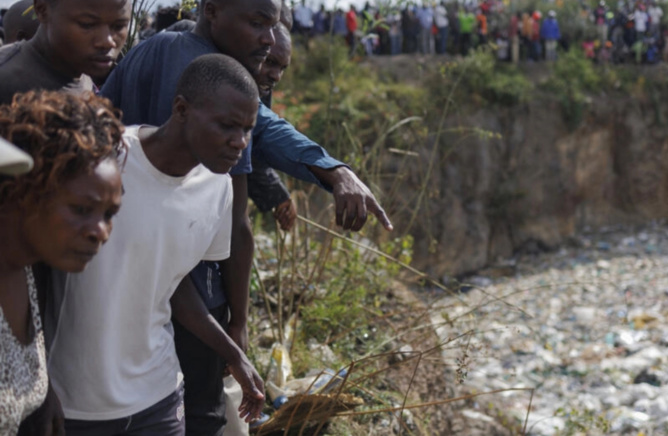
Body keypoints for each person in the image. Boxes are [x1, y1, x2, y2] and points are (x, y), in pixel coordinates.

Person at [101, 0, 392, 433]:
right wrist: (237, 325)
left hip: (120, 275)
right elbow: (239, 219)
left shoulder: (153, 49)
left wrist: (334, 170)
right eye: (258, 23)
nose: (267, 39)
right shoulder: (211, 85)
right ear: (212, 11)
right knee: (200, 411)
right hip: (186, 287)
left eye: (272, 26)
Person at [48, 54, 266, 435]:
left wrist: (235, 355)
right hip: (73, 405)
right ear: (181, 109)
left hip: (158, 398)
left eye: (247, 129)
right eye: (227, 126)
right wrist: (38, 386)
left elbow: (173, 281)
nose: (239, 143)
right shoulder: (105, 159)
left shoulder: (217, 188)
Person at [0, 90, 125, 434]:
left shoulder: (26, 269)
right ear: (22, 191)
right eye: (82, 210)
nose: (100, 232)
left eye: (109, 214)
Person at [0, 0, 131, 105]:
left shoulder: (79, 73)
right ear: (42, 10)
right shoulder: (7, 78)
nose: (107, 42)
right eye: (87, 24)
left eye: (118, 26)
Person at [249, 22, 297, 232]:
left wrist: (277, 194)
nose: (276, 75)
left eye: (282, 68)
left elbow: (253, 141)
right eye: (269, 62)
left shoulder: (260, 87)